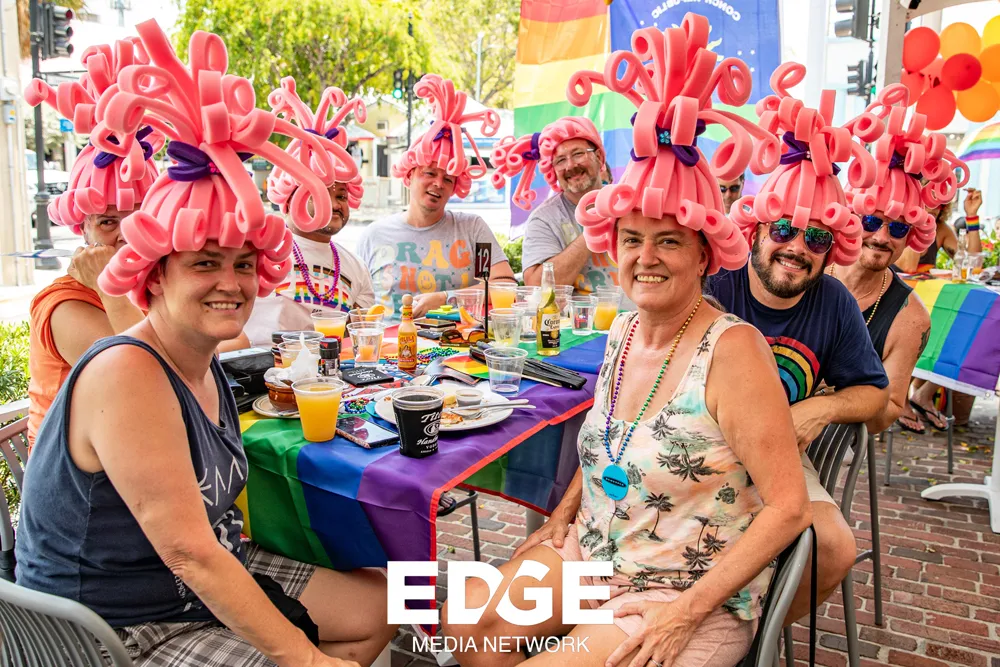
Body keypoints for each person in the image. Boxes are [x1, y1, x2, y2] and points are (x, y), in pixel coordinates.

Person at [15, 21, 394, 667]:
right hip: (118, 628)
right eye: (204, 263)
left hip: (209, 574)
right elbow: (189, 553)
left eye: (244, 264)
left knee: (392, 599)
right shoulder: (128, 371)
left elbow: (209, 546)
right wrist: (307, 658)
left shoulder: (204, 357)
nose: (230, 283)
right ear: (154, 275)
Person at [442, 17, 809, 667]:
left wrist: (684, 613)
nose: (646, 257)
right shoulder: (624, 328)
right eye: (632, 240)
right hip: (597, 552)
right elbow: (609, 441)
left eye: (669, 240)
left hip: (681, 589)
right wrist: (563, 514)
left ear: (704, 253)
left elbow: (789, 508)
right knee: (466, 627)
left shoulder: (733, 351)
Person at [718, 63, 890, 626]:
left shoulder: (834, 303)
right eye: (783, 230)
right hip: (698, 444)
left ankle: (753, 639)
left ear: (831, 247)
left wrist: (823, 407)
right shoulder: (715, 283)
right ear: (756, 229)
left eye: (816, 236)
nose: (797, 247)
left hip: (779, 462)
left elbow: (875, 395)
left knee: (835, 548)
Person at [22, 39, 158, 445]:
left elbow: (230, 343)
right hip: (77, 473)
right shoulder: (63, 304)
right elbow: (145, 375)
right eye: (107, 221)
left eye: (138, 215)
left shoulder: (154, 283)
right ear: (82, 229)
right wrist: (107, 287)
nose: (125, 232)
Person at [834, 85, 969, 436]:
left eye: (897, 227)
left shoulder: (909, 317)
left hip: (831, 445)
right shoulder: (808, 271)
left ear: (912, 234)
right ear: (851, 216)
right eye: (870, 220)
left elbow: (887, 413)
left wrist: (825, 405)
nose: (881, 237)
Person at [357, 75, 515, 320]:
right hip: (392, 342)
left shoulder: (472, 230)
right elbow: (356, 306)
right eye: (429, 173)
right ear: (409, 175)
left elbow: (505, 285)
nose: (438, 184)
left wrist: (446, 297)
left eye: (448, 179)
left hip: (460, 342)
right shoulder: (373, 236)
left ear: (455, 187)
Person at [244, 78, 375, 346]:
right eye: (320, 193)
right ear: (289, 197)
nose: (334, 204)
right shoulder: (257, 252)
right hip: (259, 368)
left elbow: (362, 337)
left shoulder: (357, 268)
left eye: (341, 196)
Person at [492, 118, 633, 307]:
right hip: (581, 324)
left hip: (642, 318)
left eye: (578, 154)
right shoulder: (544, 219)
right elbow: (537, 288)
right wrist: (593, 227)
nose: (570, 165)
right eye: (560, 160)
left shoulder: (629, 201)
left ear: (599, 156)